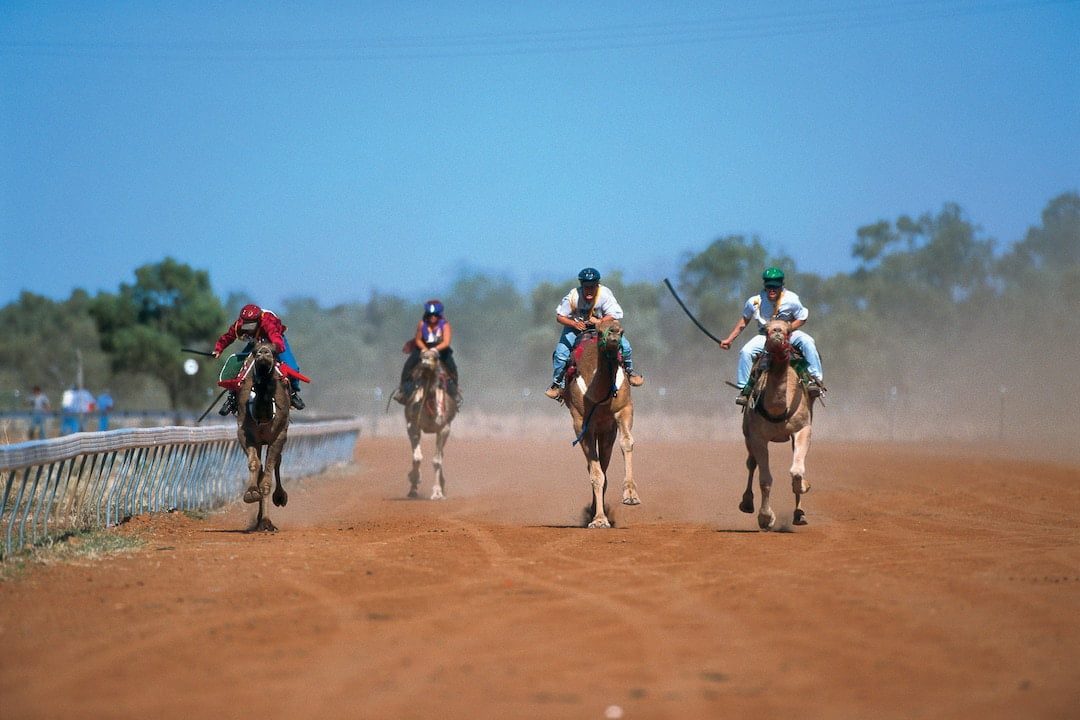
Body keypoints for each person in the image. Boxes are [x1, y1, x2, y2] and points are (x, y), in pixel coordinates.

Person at [719, 266, 825, 405]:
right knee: (745, 351)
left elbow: (802, 318)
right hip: (765, 337)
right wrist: (729, 339)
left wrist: (787, 328)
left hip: (789, 335)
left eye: (775, 287)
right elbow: (744, 320)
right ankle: (745, 390)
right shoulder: (755, 302)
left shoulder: (792, 299)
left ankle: (814, 381)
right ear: (765, 286)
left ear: (781, 285)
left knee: (808, 342)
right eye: (769, 287)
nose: (772, 290)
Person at [544, 267, 644, 400]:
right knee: (560, 353)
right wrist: (574, 324)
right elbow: (560, 317)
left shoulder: (605, 294)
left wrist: (599, 321)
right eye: (586, 287)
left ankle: (630, 372)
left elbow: (614, 314)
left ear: (597, 285)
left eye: (592, 286)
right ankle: (558, 385)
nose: (589, 290)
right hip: (576, 327)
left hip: (602, 326)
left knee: (625, 345)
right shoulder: (573, 297)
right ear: (582, 285)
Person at [212, 303, 305, 415]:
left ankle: (293, 394)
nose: (248, 327)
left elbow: (276, 338)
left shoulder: (268, 320)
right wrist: (218, 349)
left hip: (273, 342)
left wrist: (274, 350)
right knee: (238, 365)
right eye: (246, 323)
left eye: (251, 324)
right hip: (255, 342)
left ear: (259, 319)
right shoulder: (240, 324)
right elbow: (228, 336)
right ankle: (232, 398)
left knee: (292, 368)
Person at [392, 300, 461, 404]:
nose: (433, 317)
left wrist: (435, 349)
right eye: (430, 315)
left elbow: (446, 342)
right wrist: (424, 349)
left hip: (441, 350)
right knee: (409, 364)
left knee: (451, 366)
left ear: (439, 315)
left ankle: (455, 392)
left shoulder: (445, 325)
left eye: (435, 315)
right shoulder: (422, 324)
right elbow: (418, 339)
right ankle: (403, 391)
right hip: (423, 348)